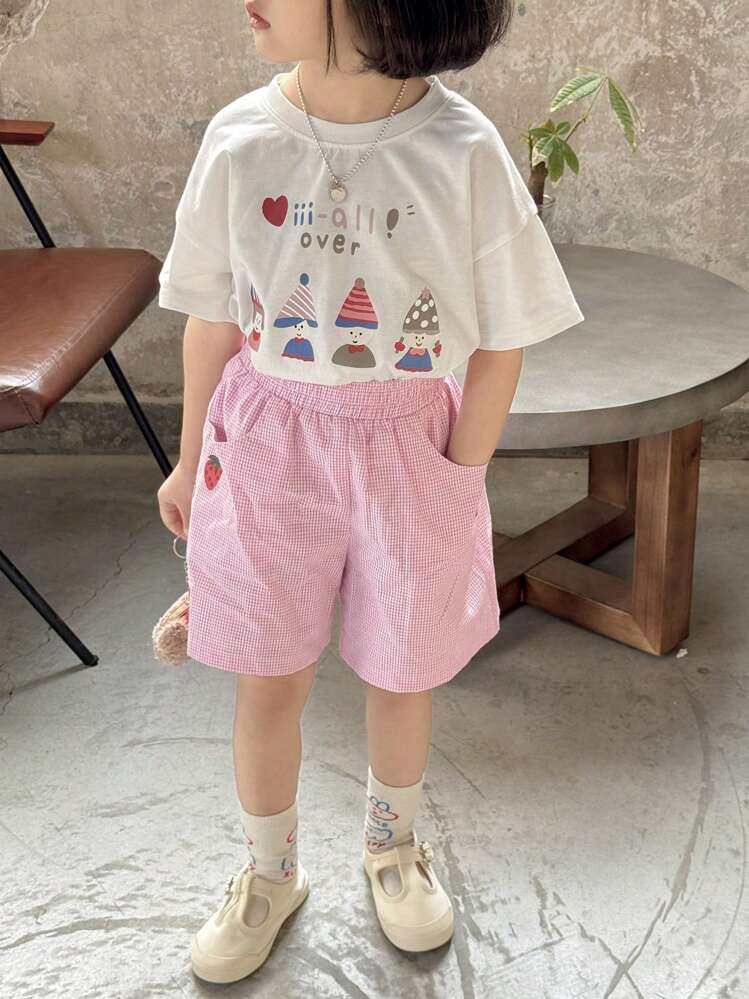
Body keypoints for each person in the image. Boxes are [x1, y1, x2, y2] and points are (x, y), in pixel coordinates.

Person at [156, 0, 584, 984]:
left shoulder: (461, 150)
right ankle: (269, 873)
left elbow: (503, 340)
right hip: (267, 446)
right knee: (268, 674)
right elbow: (212, 319)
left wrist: (458, 476)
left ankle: (391, 848)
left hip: (408, 447)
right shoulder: (240, 139)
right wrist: (186, 460)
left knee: (402, 670)